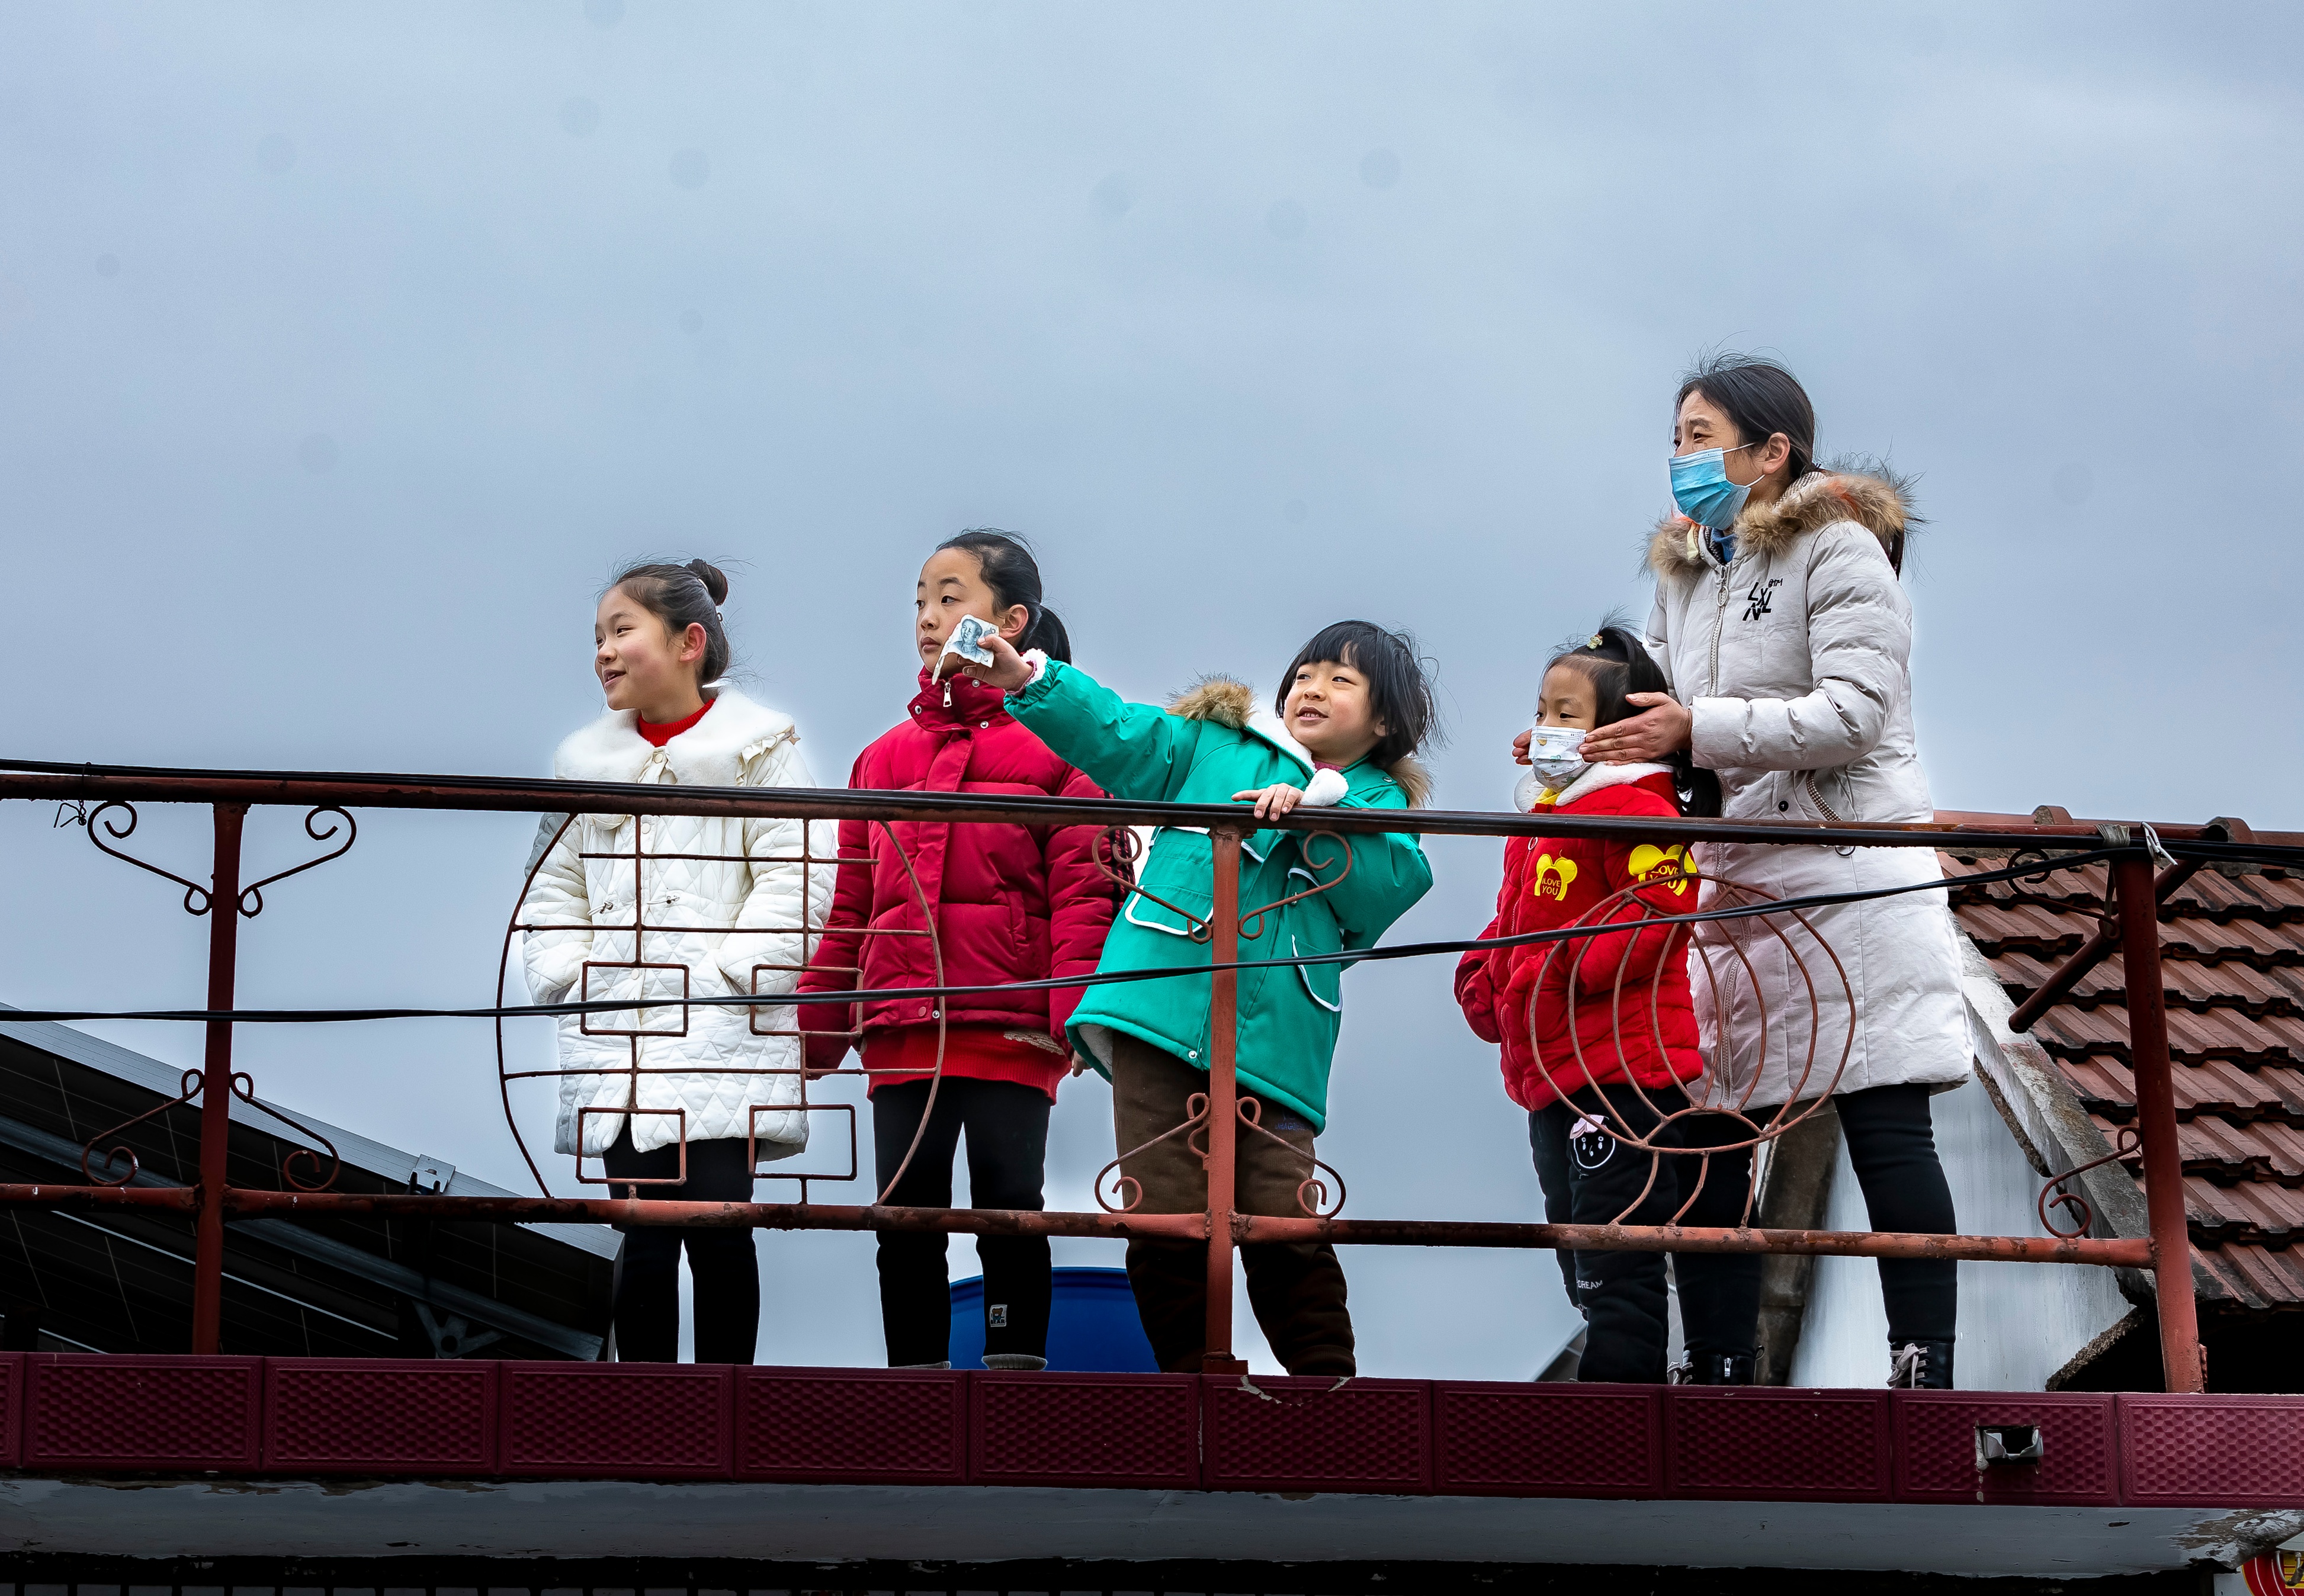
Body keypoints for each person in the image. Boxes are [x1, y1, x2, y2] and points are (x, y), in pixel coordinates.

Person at [1577, 354, 1969, 1389]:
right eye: (1675, 437)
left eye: (1700, 437)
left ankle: (1924, 1365)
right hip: (1737, 878)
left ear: (1771, 450)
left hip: (1849, 865)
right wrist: (1584, 749)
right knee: (1713, 1131)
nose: (1680, 457)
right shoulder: (1685, 568)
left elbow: (1856, 713)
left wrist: (1695, 729)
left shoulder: (1838, 545)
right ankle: (1719, 1369)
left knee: (1885, 1114)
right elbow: (1665, 724)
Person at [962, 619, 1436, 1377]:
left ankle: (1327, 1386)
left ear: (1383, 721)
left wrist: (1317, 810)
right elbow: (1120, 734)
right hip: (1156, 1005)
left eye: (1341, 680)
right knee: (1162, 1206)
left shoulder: (1383, 808)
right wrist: (1031, 681)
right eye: (1305, 673)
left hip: (1275, 1040)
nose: (1312, 687)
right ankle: (1189, 1378)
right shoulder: (1215, 743)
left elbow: (1382, 895)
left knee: (1283, 1213)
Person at [795, 530, 1121, 1372]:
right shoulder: (881, 757)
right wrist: (821, 1020)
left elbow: (1087, 895)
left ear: (1011, 619)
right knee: (903, 1213)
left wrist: (1072, 1016)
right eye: (919, 600)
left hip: (1013, 1022)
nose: (929, 617)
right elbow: (854, 903)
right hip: (901, 1022)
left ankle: (1014, 1373)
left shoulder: (1062, 750)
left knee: (1010, 1204)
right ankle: (915, 1383)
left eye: (951, 596)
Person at [520, 558, 829, 1365]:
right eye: (597, 636)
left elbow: (801, 872)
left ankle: (727, 1410)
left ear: (689, 641)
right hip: (617, 1025)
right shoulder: (584, 765)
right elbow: (552, 883)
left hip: (723, 1034)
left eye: (622, 630)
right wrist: (566, 972)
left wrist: (727, 979)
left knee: (719, 1229)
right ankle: (648, 1412)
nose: (603, 651)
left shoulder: (762, 750)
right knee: (643, 1232)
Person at [1453, 626, 1710, 1384]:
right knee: (1575, 1243)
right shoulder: (1542, 820)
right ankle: (1619, 1379)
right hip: (1548, 1070)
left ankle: (1622, 1395)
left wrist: (1557, 973)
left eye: (1565, 714)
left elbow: (1659, 904)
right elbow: (1515, 920)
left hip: (1620, 1069)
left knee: (1614, 1246)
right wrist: (1481, 973)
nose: (1543, 729)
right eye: (1542, 710)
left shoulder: (1639, 809)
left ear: (1617, 733)